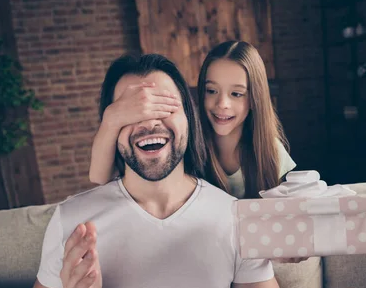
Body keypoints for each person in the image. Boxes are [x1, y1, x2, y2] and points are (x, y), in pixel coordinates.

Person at [15, 54, 360, 288]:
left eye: (164, 107)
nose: (149, 123)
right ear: (110, 127)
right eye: (130, 111)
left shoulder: (236, 218)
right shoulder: (73, 219)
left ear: (189, 118)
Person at [89, 41, 295, 200]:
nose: (222, 103)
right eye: (211, 91)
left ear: (254, 99)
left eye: (237, 94)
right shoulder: (186, 140)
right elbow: (99, 178)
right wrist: (112, 118)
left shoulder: (270, 149)